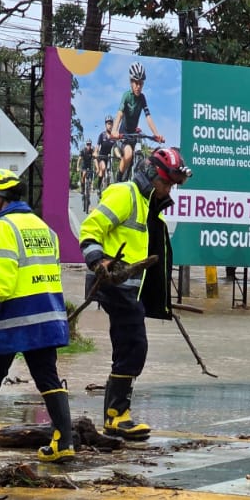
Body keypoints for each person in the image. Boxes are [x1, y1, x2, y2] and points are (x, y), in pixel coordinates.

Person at [0, 167, 74, 463]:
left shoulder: (2, 228)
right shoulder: (42, 227)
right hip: (44, 317)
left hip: (9, 318)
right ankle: (65, 441)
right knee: (48, 376)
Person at [79, 145, 190, 442]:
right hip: (115, 286)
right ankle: (116, 417)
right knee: (133, 346)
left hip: (131, 291)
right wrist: (98, 260)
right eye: (165, 182)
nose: (168, 189)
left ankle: (117, 414)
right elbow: (90, 228)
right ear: (150, 174)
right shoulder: (125, 194)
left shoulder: (150, 205)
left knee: (131, 347)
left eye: (171, 184)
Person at [111, 62, 164, 180]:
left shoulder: (142, 98)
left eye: (141, 83)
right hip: (123, 133)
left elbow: (148, 117)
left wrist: (156, 134)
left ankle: (128, 179)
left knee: (132, 161)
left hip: (133, 135)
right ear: (131, 82)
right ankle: (118, 179)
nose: (138, 86)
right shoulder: (126, 96)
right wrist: (114, 130)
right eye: (136, 83)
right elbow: (119, 114)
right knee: (128, 154)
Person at [94, 117, 119, 188]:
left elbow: (116, 148)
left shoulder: (113, 137)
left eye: (111, 124)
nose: (110, 125)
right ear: (105, 125)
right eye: (108, 124)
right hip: (101, 157)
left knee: (110, 173)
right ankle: (99, 187)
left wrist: (119, 156)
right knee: (103, 168)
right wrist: (96, 152)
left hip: (108, 158)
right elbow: (97, 147)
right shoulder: (102, 135)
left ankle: (108, 185)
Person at [77, 138, 95, 207]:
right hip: (84, 167)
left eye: (90, 144)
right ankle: (82, 187)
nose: (89, 146)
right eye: (87, 144)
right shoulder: (83, 151)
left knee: (90, 181)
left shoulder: (92, 151)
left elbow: (95, 159)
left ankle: (88, 195)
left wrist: (97, 168)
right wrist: (77, 167)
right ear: (86, 145)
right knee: (84, 174)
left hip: (90, 167)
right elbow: (79, 159)